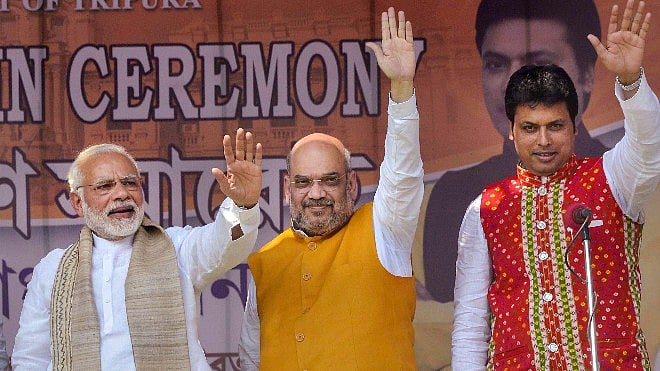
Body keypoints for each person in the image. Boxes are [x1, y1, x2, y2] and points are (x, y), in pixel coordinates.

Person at [452, 0, 659, 369]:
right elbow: (469, 326)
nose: (543, 141)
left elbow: (649, 146)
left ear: (575, 126)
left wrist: (631, 81)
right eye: (530, 128)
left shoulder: (614, 178)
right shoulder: (486, 208)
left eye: (556, 126)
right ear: (512, 132)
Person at [238, 7, 423, 370]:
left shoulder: (385, 231)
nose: (316, 193)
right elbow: (250, 359)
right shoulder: (266, 261)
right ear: (286, 189)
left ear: (352, 184)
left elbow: (402, 174)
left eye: (330, 180)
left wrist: (402, 90)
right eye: (303, 182)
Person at [11, 129, 263, 370]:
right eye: (104, 186)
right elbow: (30, 358)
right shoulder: (54, 269)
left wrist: (243, 205)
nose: (122, 194)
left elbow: (225, 245)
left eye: (130, 183)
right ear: (78, 202)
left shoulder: (175, 249)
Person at [422, 0, 618, 303]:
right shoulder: (457, 196)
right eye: (496, 64)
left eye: (537, 63)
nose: (515, 83)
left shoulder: (619, 181)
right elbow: (455, 322)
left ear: (587, 73)